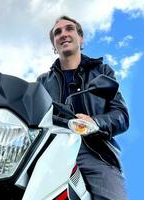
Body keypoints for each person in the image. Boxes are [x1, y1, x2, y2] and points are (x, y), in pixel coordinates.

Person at [37, 16, 130, 200]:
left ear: (81, 39)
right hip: (50, 153)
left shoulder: (102, 72)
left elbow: (121, 116)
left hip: (94, 153)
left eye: (69, 29)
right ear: (54, 46)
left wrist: (95, 122)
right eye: (58, 32)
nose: (63, 34)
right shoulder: (42, 82)